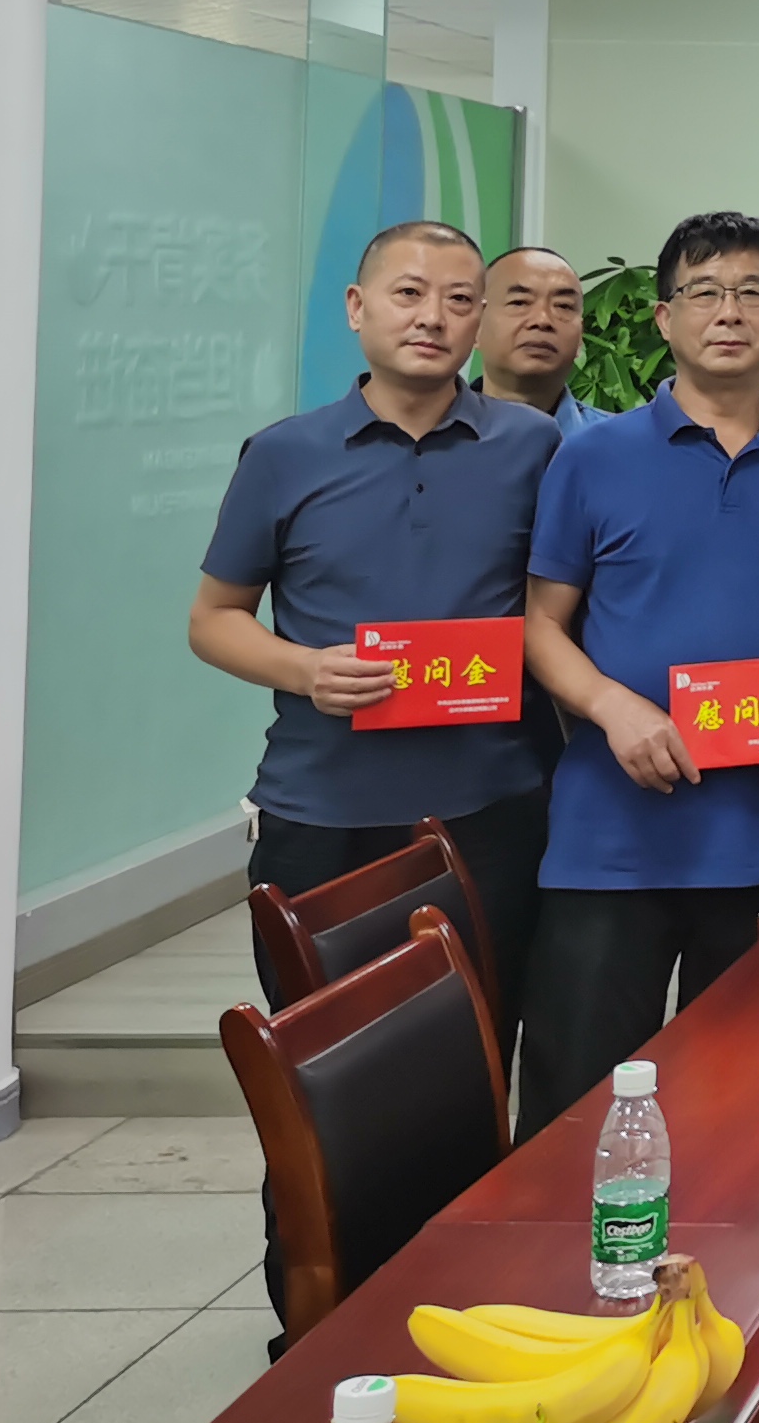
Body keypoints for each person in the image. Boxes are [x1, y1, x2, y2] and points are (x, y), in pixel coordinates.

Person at [518, 212, 759, 1133]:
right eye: (703, 292)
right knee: (576, 1112)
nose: (729, 312)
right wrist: (613, 708)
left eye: (752, 293)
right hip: (609, 843)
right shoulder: (592, 457)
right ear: (665, 317)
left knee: (753, 1112)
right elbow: (541, 627)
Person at [193, 220, 559, 1032]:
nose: (432, 317)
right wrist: (305, 670)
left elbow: (559, 610)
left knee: (478, 1043)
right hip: (323, 810)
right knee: (329, 1051)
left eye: (458, 300)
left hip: (490, 809)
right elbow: (214, 619)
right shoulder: (284, 454)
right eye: (409, 294)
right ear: (357, 308)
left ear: (479, 320)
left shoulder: (534, 447)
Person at [475, 245, 599, 433]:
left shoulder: (621, 443)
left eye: (563, 306)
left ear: (580, 337)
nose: (542, 320)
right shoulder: (434, 438)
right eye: (519, 302)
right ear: (476, 326)